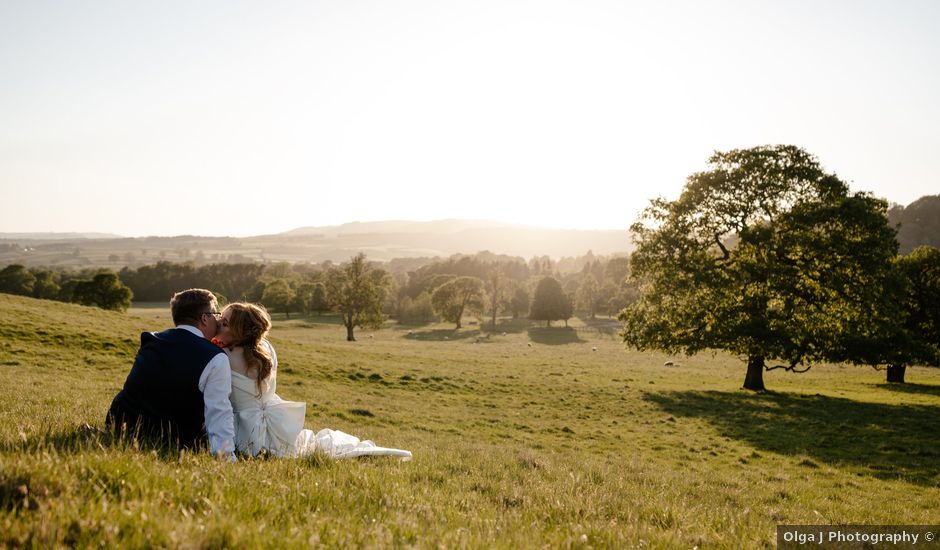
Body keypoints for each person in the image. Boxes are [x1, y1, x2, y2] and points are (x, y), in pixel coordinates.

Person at [216, 302, 411, 460]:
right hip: (273, 418)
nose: (218, 325)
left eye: (224, 323)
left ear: (240, 331)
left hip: (244, 425)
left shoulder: (225, 355)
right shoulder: (265, 349)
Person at [106, 289, 236, 461]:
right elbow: (218, 411)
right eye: (215, 315)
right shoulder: (215, 357)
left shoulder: (151, 340)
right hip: (173, 440)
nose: (218, 320)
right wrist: (225, 456)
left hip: (120, 427)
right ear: (205, 318)